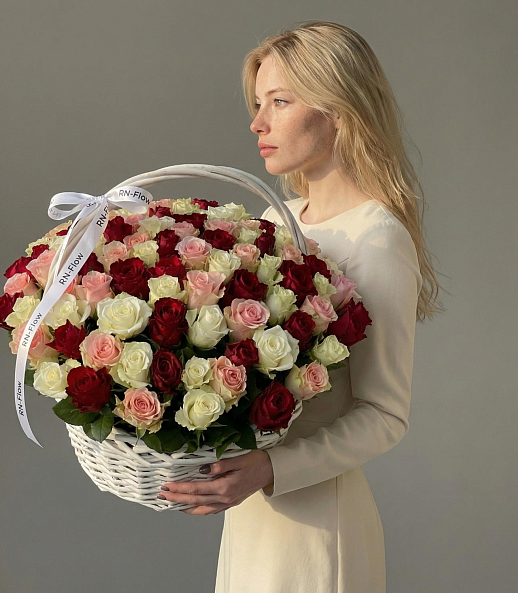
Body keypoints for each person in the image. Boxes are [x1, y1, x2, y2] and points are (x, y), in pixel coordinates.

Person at [158, 20, 445, 592]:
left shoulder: (376, 237)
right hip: (252, 515)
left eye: (280, 101)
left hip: (317, 525)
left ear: (338, 109)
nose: (257, 122)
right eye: (258, 103)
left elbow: (385, 415)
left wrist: (269, 467)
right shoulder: (275, 220)